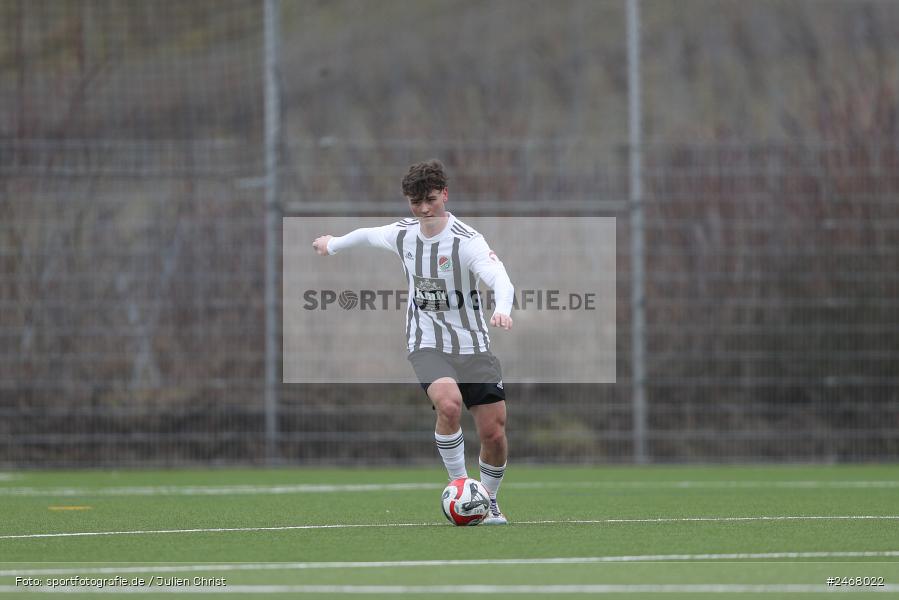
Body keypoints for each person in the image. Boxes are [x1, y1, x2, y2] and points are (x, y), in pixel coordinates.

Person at [312, 159, 514, 525]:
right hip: (426, 342)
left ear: (445, 195)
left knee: (494, 432)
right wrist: (333, 244)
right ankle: (459, 485)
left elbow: (500, 278)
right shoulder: (404, 234)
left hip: (473, 346)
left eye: (431, 200)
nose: (424, 209)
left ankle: (489, 500)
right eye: (416, 202)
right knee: (449, 405)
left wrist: (502, 308)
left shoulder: (467, 242)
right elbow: (366, 235)